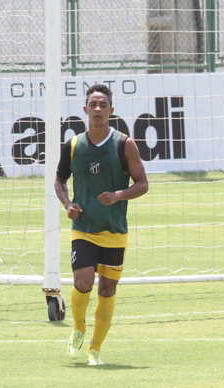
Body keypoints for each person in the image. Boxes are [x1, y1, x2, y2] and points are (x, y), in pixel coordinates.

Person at [54, 84, 148, 365]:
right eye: (93, 104)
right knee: (83, 283)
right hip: (83, 229)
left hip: (115, 232)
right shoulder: (73, 145)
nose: (97, 109)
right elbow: (59, 180)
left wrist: (119, 194)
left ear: (111, 110)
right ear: (85, 110)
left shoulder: (124, 144)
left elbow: (142, 184)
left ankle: (95, 348)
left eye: (103, 105)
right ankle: (79, 327)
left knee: (107, 290)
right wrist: (68, 205)